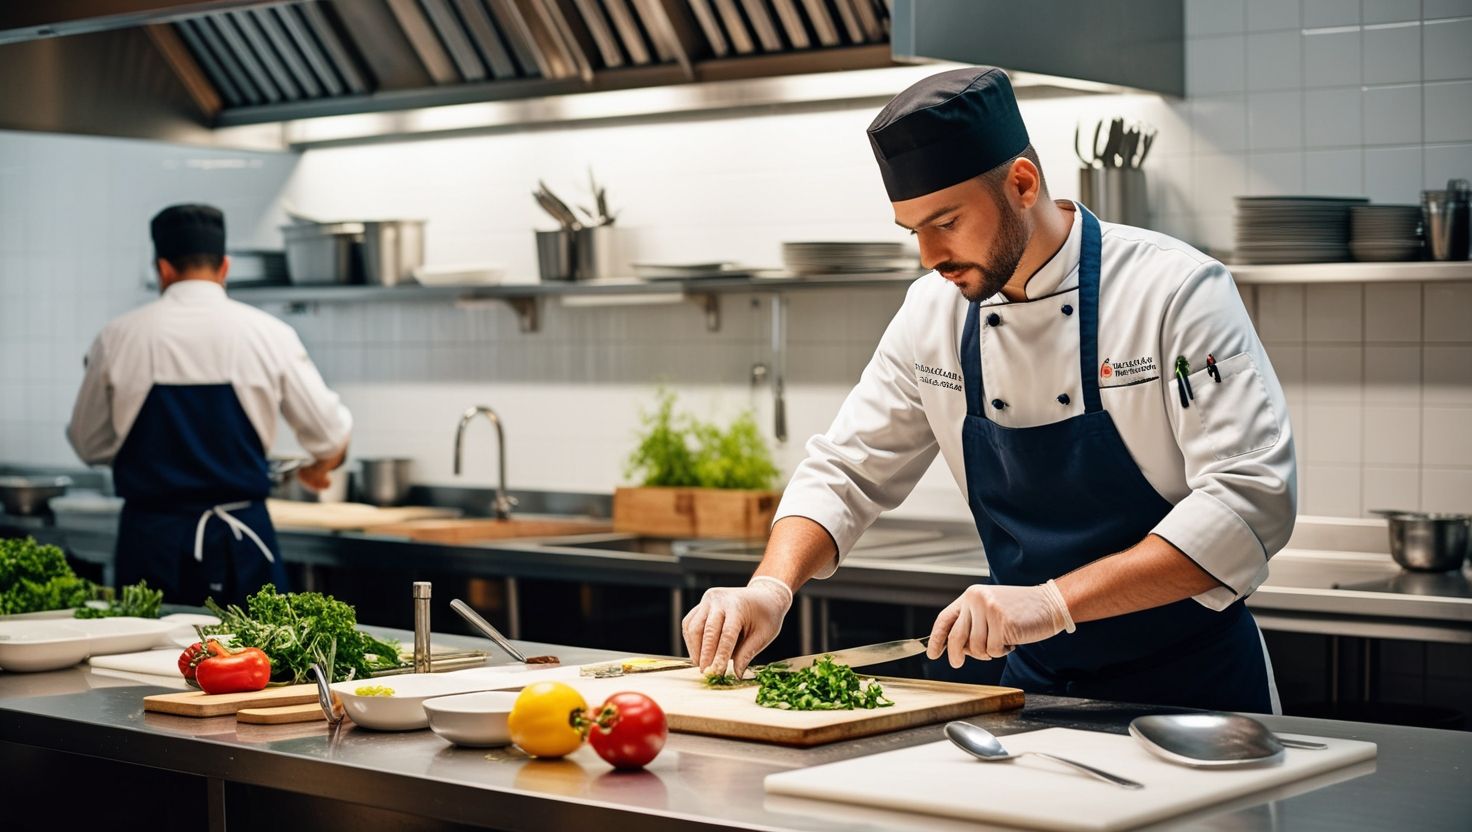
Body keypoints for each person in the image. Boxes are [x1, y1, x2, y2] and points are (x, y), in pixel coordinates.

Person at [682, 68, 1296, 713]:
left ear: (1022, 184)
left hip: (1195, 692)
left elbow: (1249, 501)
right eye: (912, 229)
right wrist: (770, 589)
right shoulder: (933, 312)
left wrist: (1050, 602)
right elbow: (847, 469)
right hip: (1030, 689)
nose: (928, 255)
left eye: (946, 222)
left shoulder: (1174, 290)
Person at [66, 204, 352, 606]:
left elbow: (88, 444)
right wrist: (322, 466)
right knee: (255, 663)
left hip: (151, 541)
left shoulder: (118, 337)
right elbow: (330, 436)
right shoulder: (269, 334)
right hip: (238, 542)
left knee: (136, 665)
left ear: (163, 268)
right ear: (225, 267)